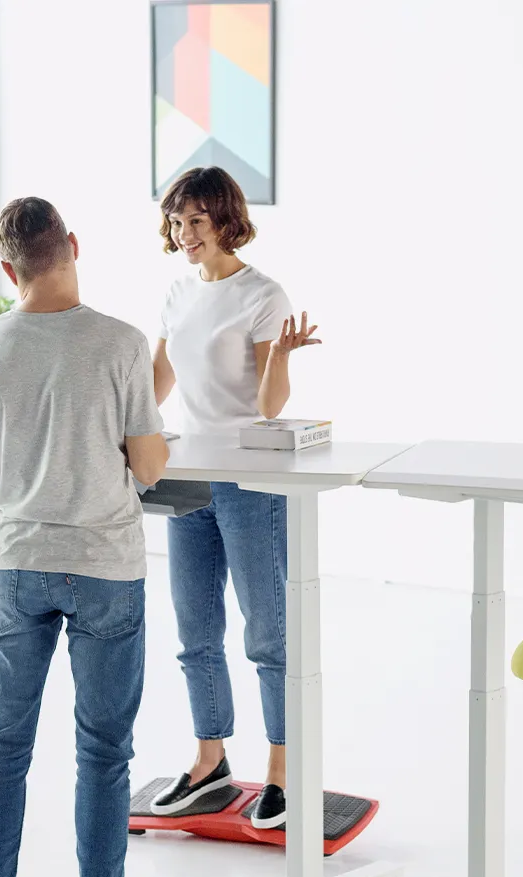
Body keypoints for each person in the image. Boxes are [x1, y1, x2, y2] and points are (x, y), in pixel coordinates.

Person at [0, 196, 182, 877]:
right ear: (73, 246)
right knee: (102, 753)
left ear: (6, 267)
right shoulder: (119, 344)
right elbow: (148, 467)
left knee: (2, 745)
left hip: (15, 564)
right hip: (105, 566)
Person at [146, 166, 321, 829]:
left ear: (225, 220)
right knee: (195, 633)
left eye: (194, 220)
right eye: (175, 221)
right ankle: (210, 761)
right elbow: (157, 386)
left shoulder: (262, 295)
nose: (182, 232)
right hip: (188, 478)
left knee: (268, 634)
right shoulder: (176, 294)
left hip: (249, 480)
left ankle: (283, 768)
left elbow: (269, 405)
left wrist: (285, 356)